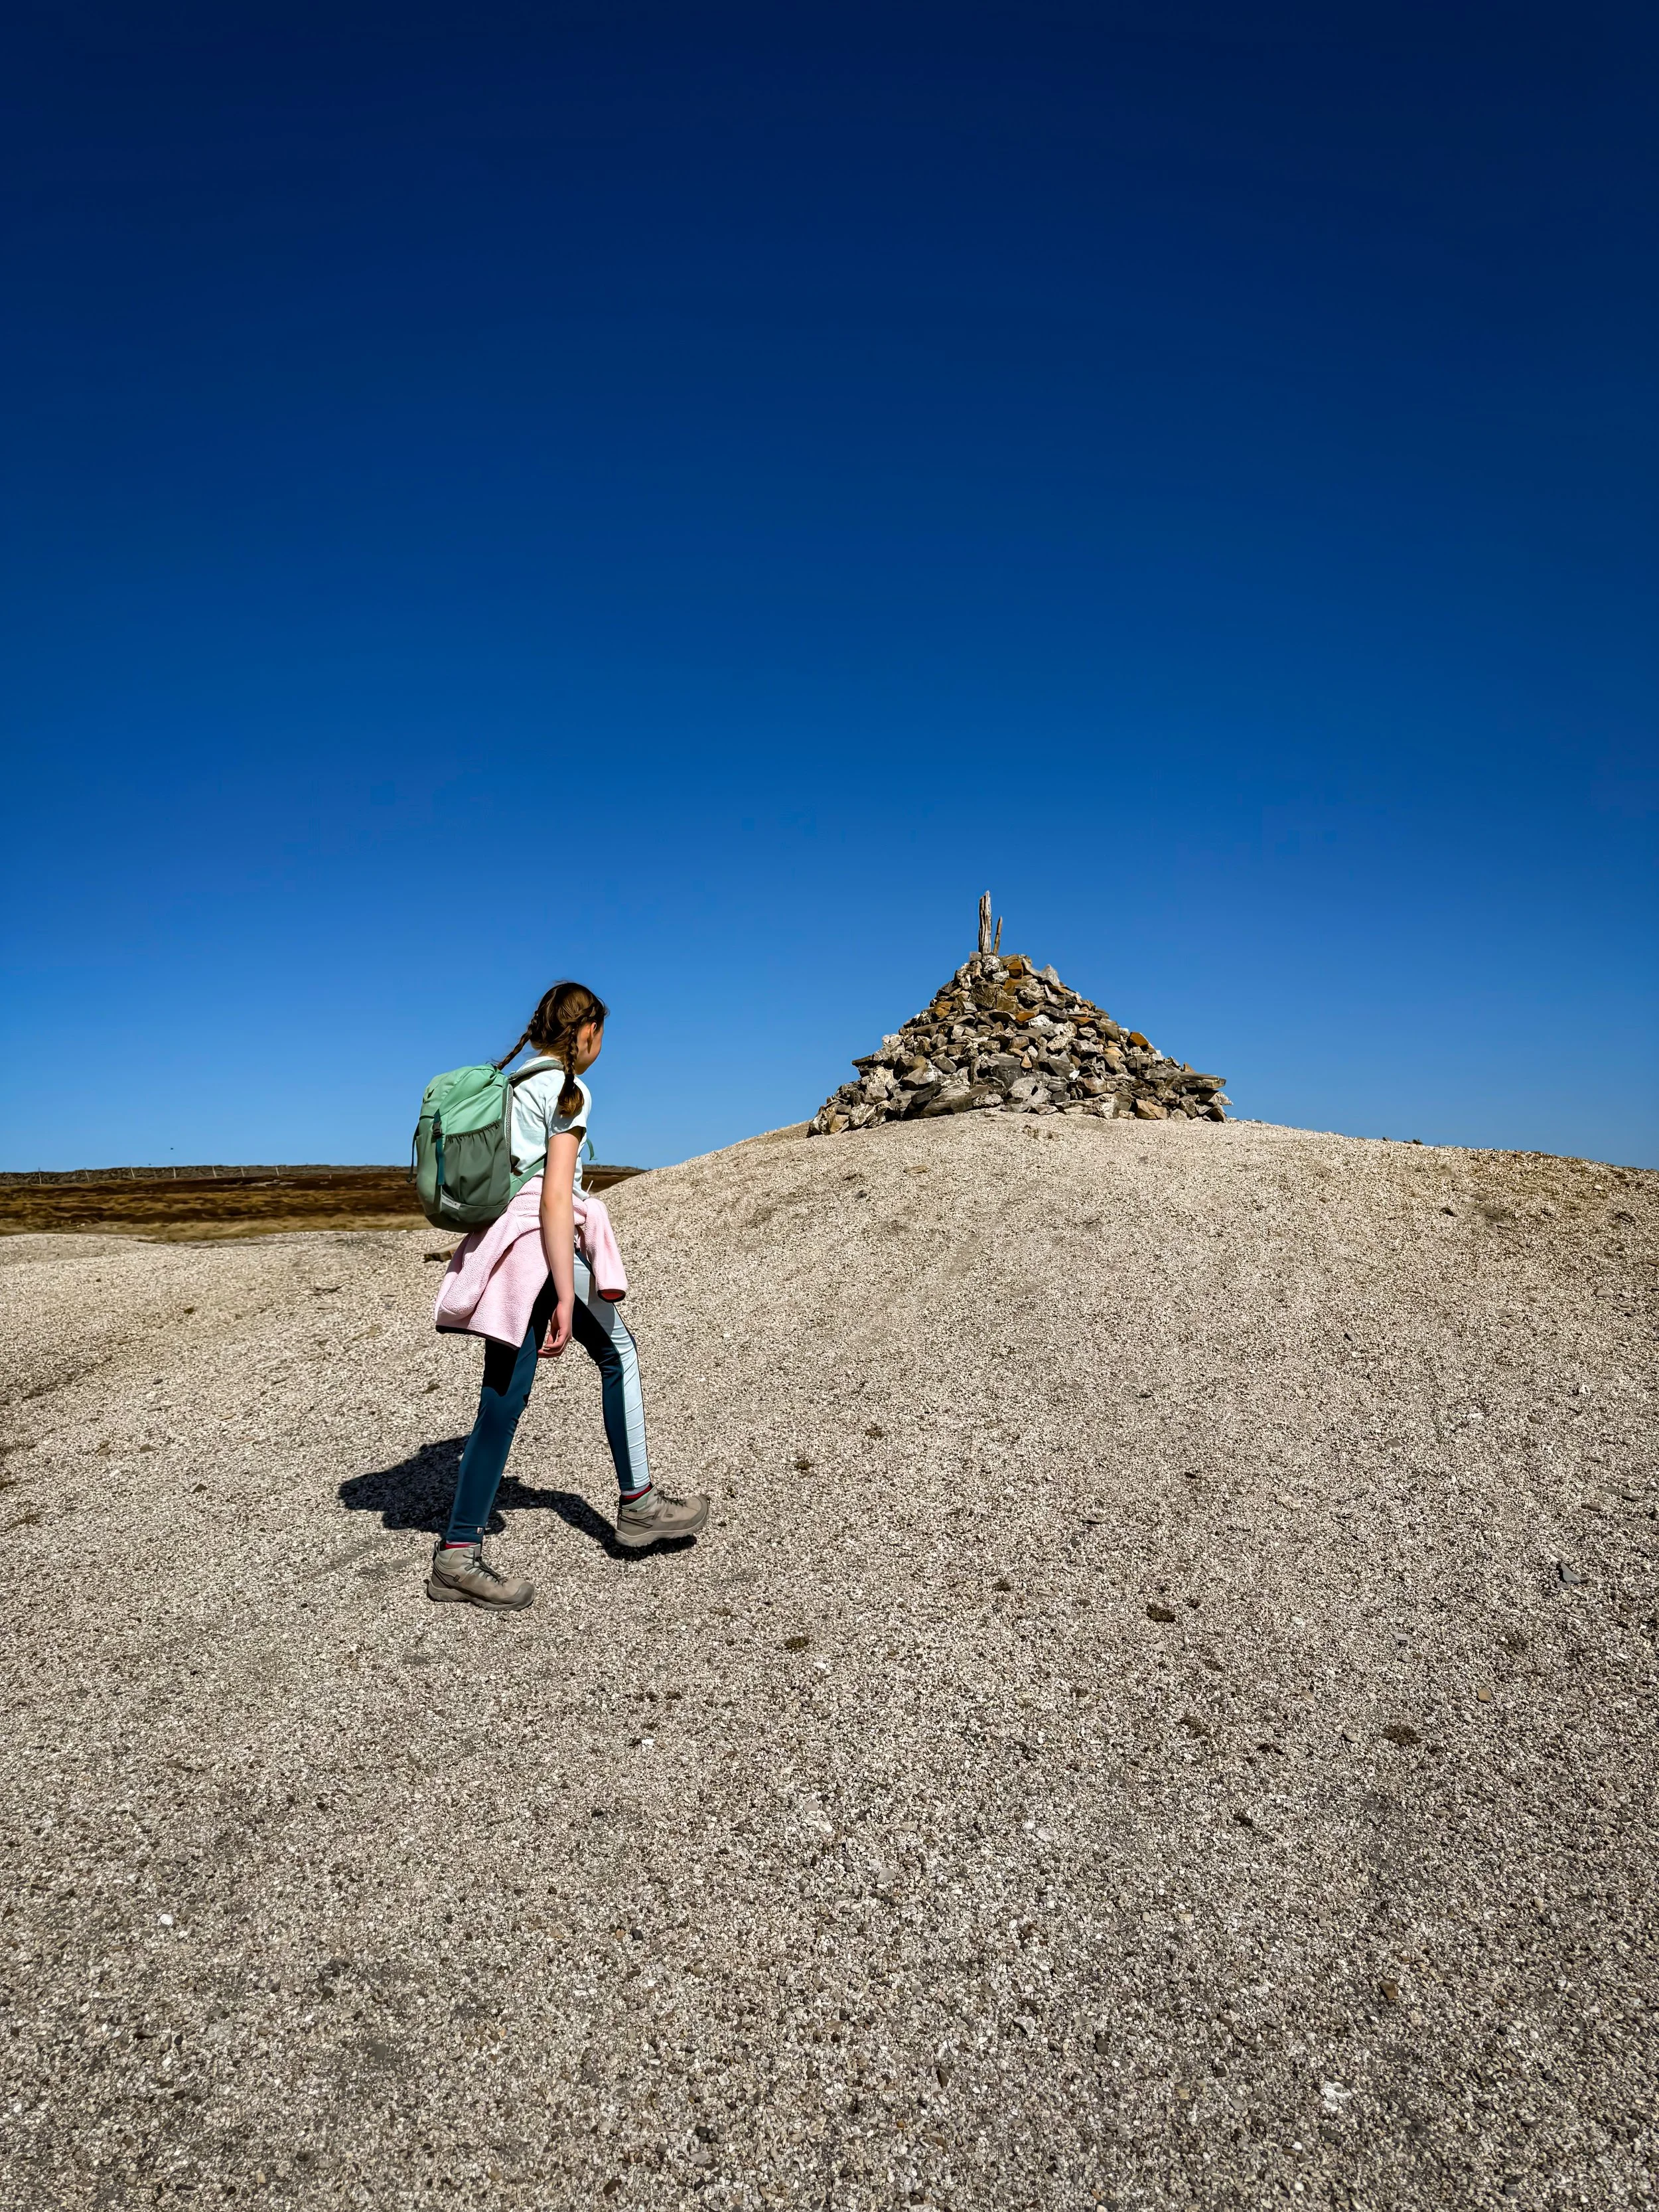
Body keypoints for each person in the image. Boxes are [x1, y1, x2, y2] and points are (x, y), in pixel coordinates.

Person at [427, 980, 709, 1610]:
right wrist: (562, 1288)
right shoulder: (566, 1090)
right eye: (601, 1033)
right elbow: (555, 1198)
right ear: (585, 1033)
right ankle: (640, 1505)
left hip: (503, 1247)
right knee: (619, 1353)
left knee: (502, 1398)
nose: (602, 1044)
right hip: (538, 1248)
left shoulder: (515, 1085)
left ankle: (456, 1553)